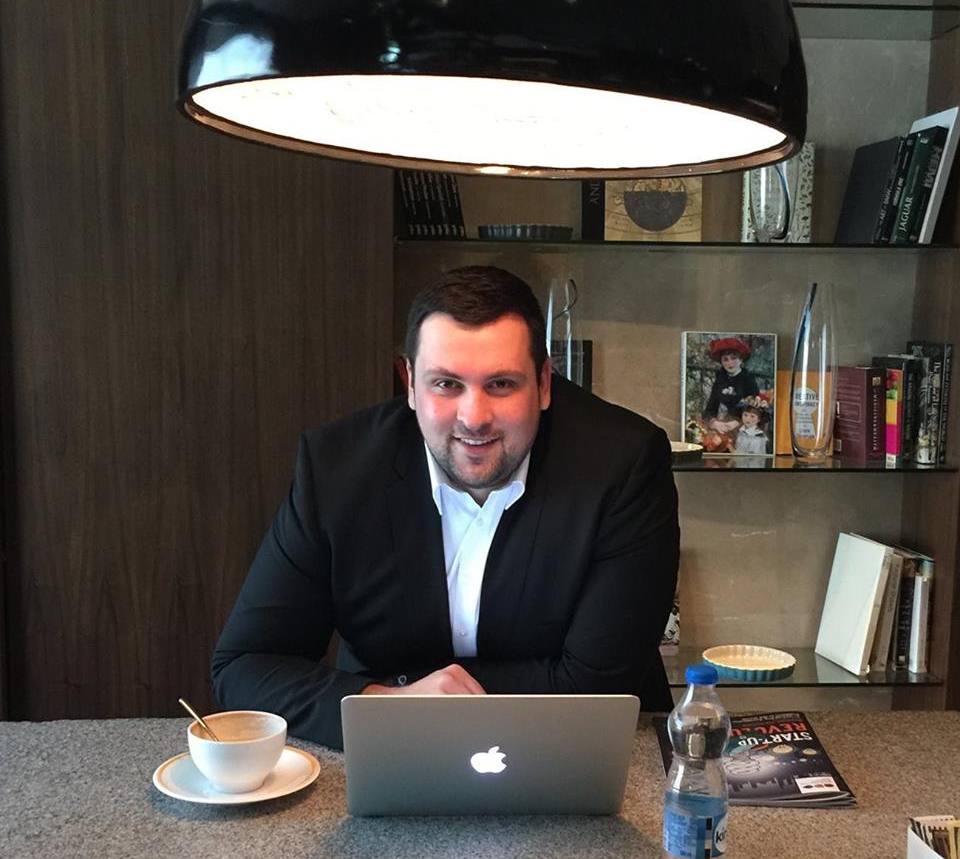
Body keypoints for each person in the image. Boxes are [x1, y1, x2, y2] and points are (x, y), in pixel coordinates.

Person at [211, 265, 680, 750]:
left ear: (544, 384)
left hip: (577, 750)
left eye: (501, 384)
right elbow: (244, 665)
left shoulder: (624, 464)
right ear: (410, 383)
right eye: (446, 384)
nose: (474, 417)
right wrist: (386, 703)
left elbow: (594, 688)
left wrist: (417, 696)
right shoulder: (335, 469)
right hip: (392, 748)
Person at [702, 337, 759, 440]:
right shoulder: (720, 380)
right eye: (725, 360)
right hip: (722, 425)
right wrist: (714, 423)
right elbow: (711, 407)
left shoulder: (748, 379)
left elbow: (755, 410)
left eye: (733, 358)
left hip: (744, 426)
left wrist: (738, 422)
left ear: (741, 360)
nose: (730, 363)